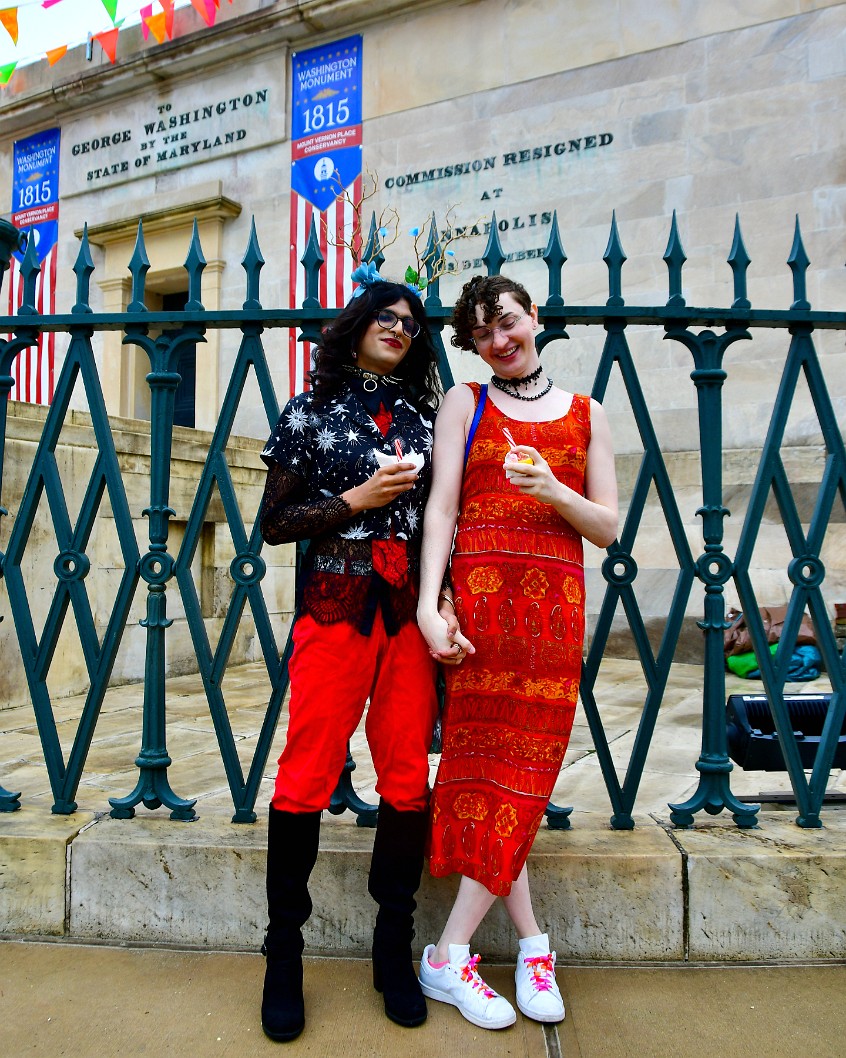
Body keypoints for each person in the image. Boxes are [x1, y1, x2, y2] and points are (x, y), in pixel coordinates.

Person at [416, 274, 618, 1030]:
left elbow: (606, 527)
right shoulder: (465, 402)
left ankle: (448, 953)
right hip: (478, 622)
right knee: (489, 775)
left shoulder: (588, 414)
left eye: (505, 322)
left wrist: (551, 490)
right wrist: (429, 607)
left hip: (552, 624)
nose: (498, 341)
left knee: (524, 778)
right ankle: (532, 944)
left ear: (533, 318)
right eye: (480, 333)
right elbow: (441, 508)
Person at [258, 271, 441, 1042]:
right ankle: (284, 955)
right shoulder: (308, 410)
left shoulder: (427, 415)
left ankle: (391, 947)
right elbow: (273, 523)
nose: (398, 328)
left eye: (409, 322)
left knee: (405, 777)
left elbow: (442, 522)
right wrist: (354, 502)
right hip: (333, 612)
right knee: (304, 776)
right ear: (358, 324)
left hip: (405, 619)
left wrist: (444, 606)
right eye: (385, 317)